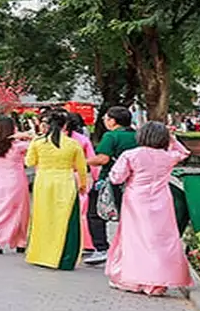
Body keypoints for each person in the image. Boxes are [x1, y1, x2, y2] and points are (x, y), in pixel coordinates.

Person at [104, 122, 192, 295]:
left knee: (134, 239)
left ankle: (133, 280)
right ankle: (157, 283)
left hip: (136, 200)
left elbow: (116, 178)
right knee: (160, 240)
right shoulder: (168, 156)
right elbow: (184, 153)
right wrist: (173, 139)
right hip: (161, 200)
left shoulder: (131, 155)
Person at [24, 110, 89, 271]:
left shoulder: (38, 143)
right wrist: (83, 185)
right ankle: (64, 259)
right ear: (65, 126)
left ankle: (41, 255)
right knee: (66, 220)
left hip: (44, 183)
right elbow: (81, 168)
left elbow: (29, 162)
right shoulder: (73, 144)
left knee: (43, 218)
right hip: (66, 183)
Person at [84, 106, 139, 265]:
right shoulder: (137, 135)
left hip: (109, 180)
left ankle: (102, 249)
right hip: (132, 181)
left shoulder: (111, 136)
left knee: (95, 213)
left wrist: (81, 162)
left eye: (106, 118)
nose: (105, 121)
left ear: (113, 121)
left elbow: (103, 159)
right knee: (127, 215)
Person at [0, 117, 33, 255]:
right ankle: (20, 241)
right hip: (16, 182)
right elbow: (37, 143)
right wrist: (25, 135)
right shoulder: (19, 146)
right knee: (19, 211)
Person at [64, 113, 99, 252]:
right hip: (80, 175)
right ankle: (86, 241)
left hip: (60, 175)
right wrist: (97, 178)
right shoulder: (82, 140)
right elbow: (93, 159)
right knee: (82, 209)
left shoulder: (53, 140)